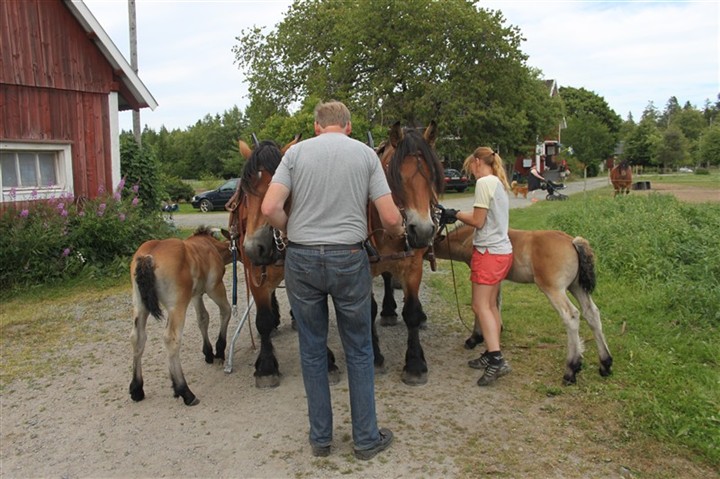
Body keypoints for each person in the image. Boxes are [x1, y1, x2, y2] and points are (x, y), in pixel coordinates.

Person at [261, 100, 404, 460]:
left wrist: (291, 231)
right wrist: (400, 228)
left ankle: (321, 439)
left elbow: (269, 208)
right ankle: (366, 439)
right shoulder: (366, 156)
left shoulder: (294, 156)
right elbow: (388, 217)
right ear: (349, 126)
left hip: (302, 258)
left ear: (315, 127)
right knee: (358, 348)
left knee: (311, 349)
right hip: (349, 257)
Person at [439, 147, 513, 386]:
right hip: (502, 250)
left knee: (480, 306)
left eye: (470, 165)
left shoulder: (484, 183)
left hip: (488, 252)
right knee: (490, 305)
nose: (469, 170)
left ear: (479, 161)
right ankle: (493, 352)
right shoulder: (498, 183)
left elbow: (478, 221)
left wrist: (455, 213)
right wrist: (459, 214)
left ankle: (496, 358)